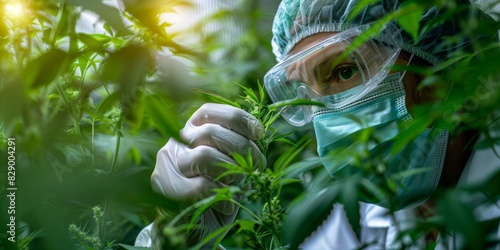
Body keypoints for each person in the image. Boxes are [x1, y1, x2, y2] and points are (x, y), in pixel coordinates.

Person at [135, 0, 500, 249]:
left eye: (344, 71)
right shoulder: (357, 220)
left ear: (439, 77)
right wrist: (177, 237)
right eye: (303, 92)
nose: (324, 117)